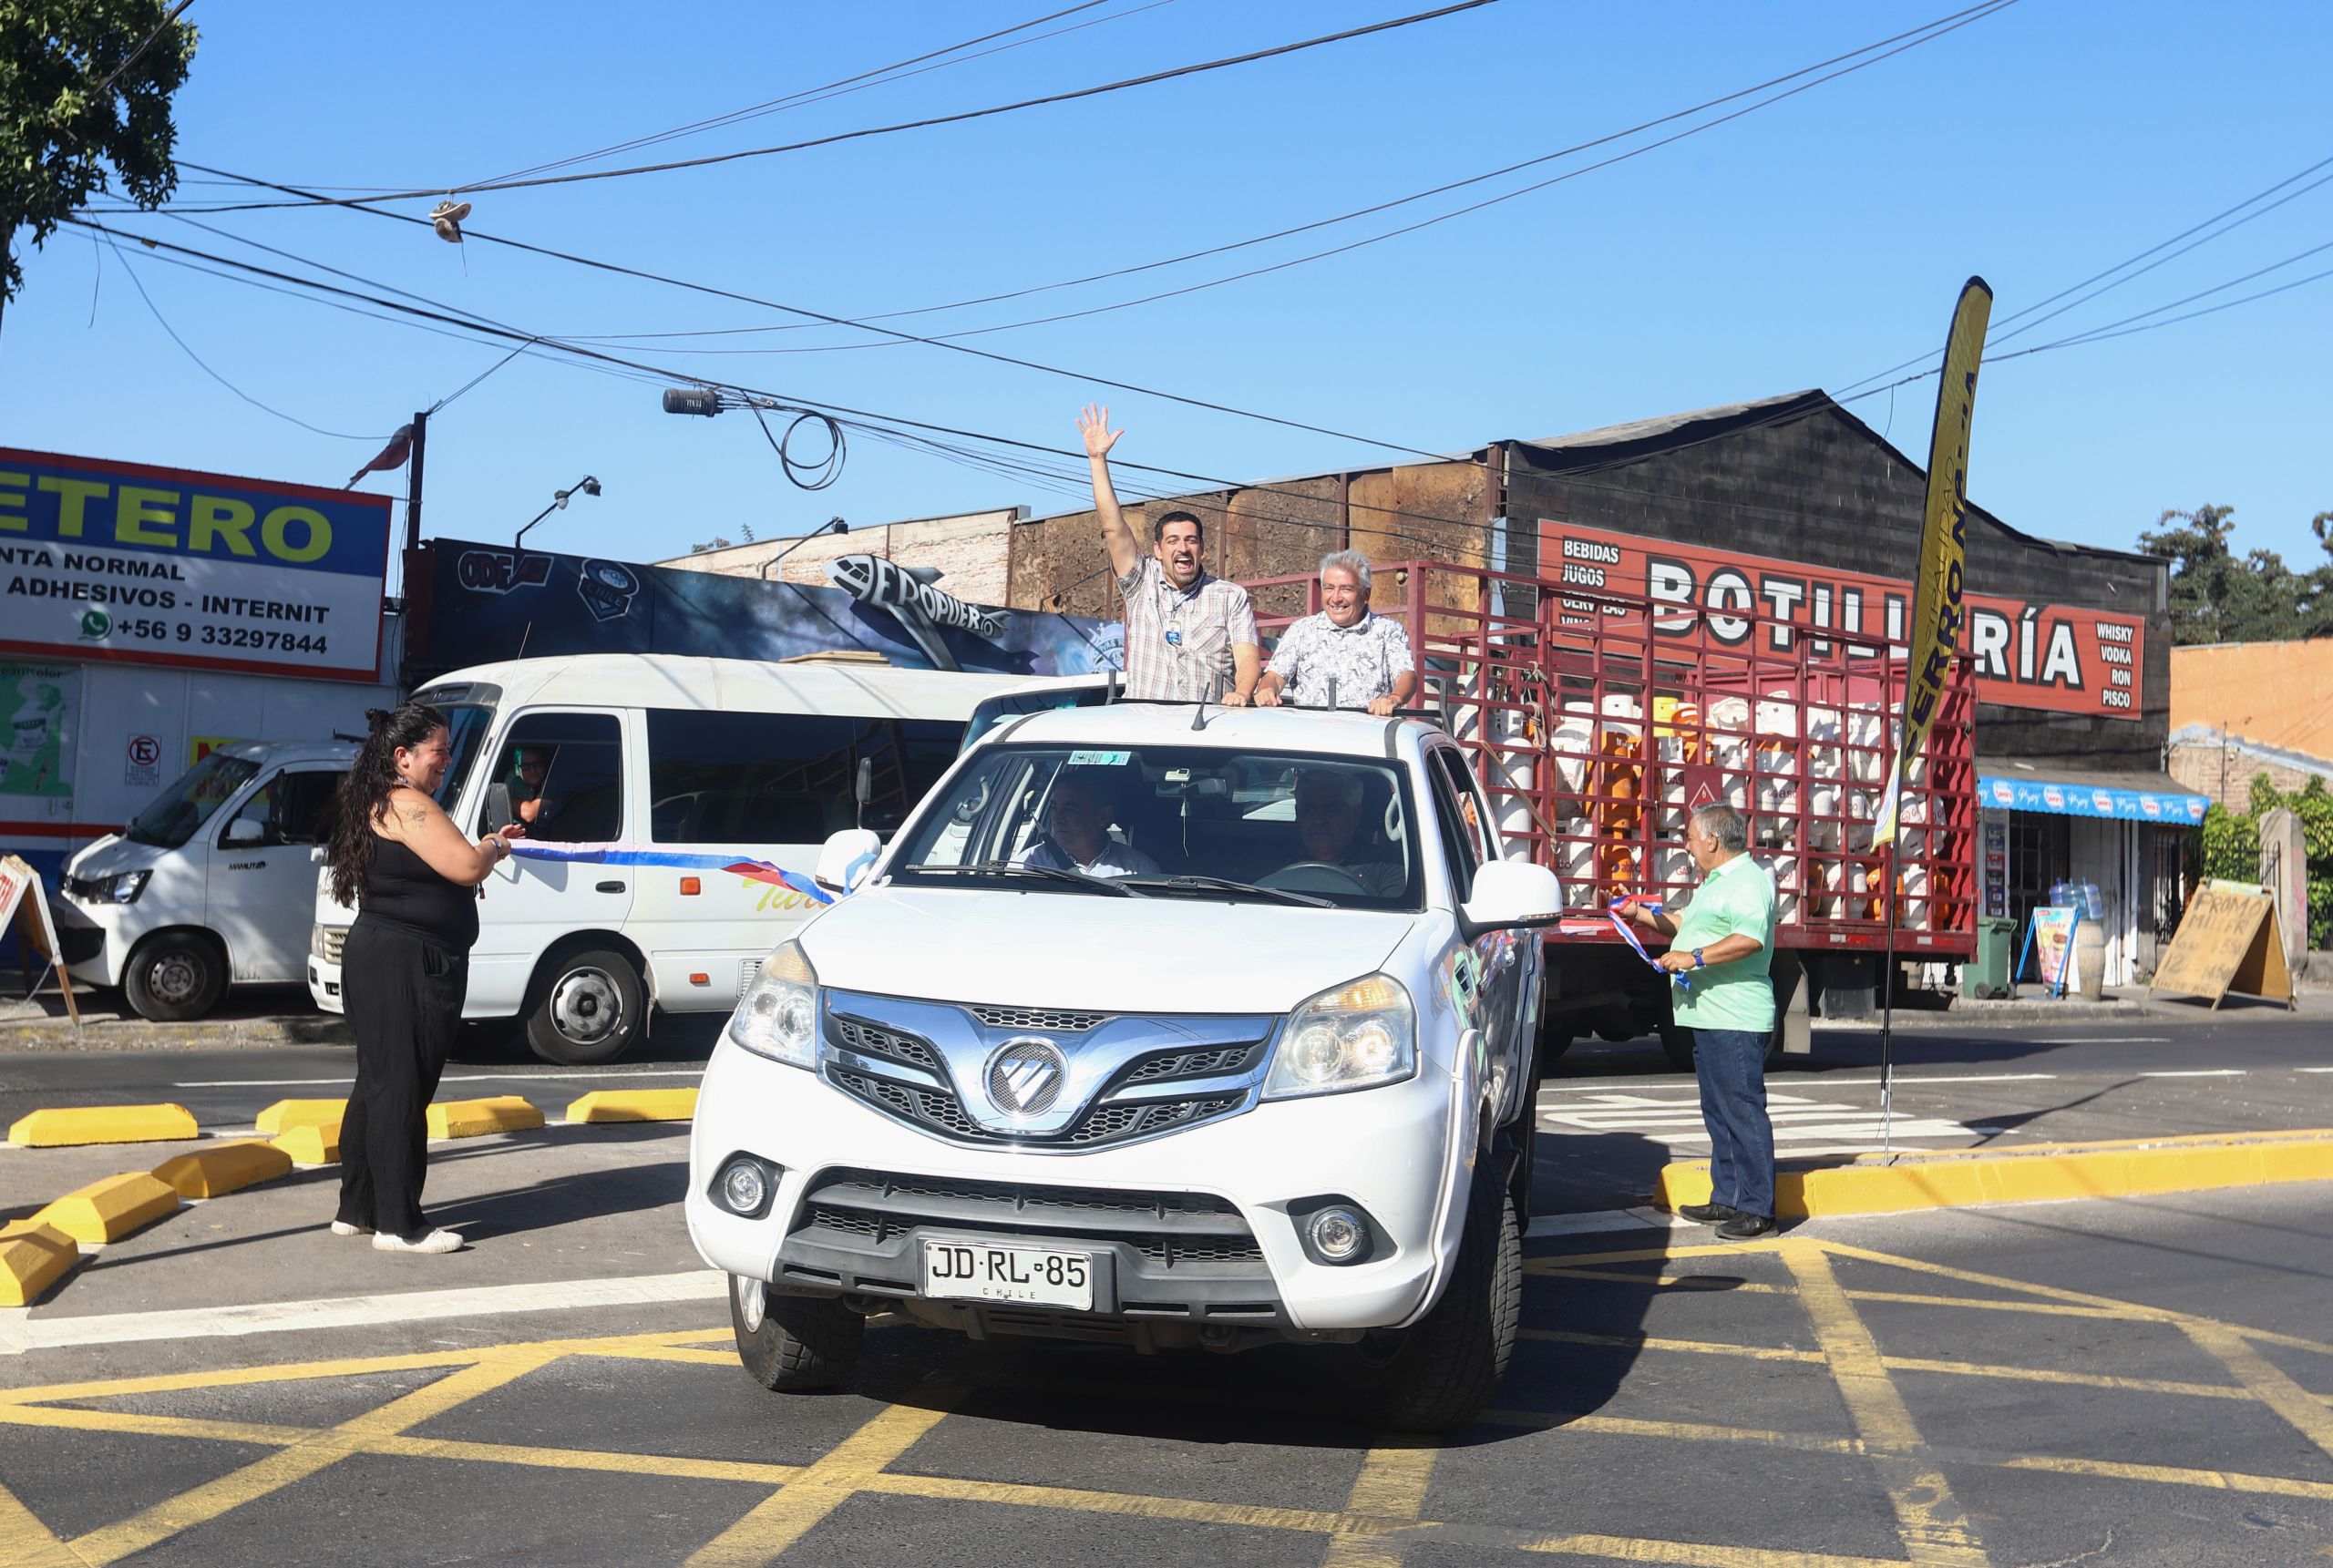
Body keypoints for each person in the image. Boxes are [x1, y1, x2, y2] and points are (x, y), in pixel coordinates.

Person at [322, 702, 525, 1255]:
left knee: (379, 1083)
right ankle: (398, 1224)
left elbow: (443, 867)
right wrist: (494, 845)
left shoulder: (384, 800)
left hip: (388, 956)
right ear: (403, 756)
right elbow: (464, 866)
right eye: (439, 751)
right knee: (400, 1090)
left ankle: (358, 1207)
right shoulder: (407, 803)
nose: (446, 761)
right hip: (406, 963)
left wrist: (482, 848)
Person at [1615, 803, 1780, 1240]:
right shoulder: (1715, 882)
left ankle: (1759, 1209)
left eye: (1690, 836)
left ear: (1712, 839)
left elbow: (1749, 938)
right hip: (1708, 1013)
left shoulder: (1748, 880)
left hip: (1736, 1014)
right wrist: (1640, 915)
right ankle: (1727, 1199)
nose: (1685, 844)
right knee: (1719, 1112)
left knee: (1743, 1112)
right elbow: (1685, 925)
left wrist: (1695, 958)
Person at [1080, 404, 1260, 705]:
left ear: (1202, 549)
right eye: (1173, 540)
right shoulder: (1140, 583)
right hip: (1144, 726)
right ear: (1158, 550)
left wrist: (1241, 694)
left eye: (1191, 541)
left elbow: (1247, 657)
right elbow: (1113, 526)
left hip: (1206, 726)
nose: (1183, 548)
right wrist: (1097, 460)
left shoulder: (1230, 596)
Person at [1255, 550, 1418, 715]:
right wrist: (1267, 690)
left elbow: (1406, 675)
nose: (1336, 598)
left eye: (1346, 589)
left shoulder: (1388, 631)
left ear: (1366, 594)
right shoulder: (1302, 630)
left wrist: (1393, 698)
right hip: (1310, 733)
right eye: (1329, 588)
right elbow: (1275, 676)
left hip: (1367, 734)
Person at [1013, 769, 1160, 878]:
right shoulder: (1027, 865)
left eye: (1070, 809)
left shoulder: (1139, 870)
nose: (1057, 818)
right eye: (1054, 807)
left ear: (1103, 816)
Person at [1283, 768, 1403, 897]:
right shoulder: (1275, 858)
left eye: (1332, 810)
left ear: (1355, 815)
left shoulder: (1386, 869)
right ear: (1298, 813)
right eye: (1309, 809)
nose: (1319, 820)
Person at [505, 745, 550, 826]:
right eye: (526, 767)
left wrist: (503, 799)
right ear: (517, 770)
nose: (533, 770)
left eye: (537, 764)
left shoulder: (553, 783)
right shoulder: (512, 780)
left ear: (545, 765)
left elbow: (530, 814)